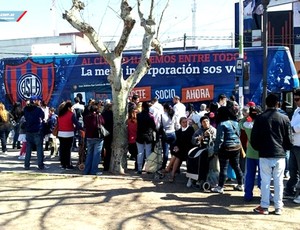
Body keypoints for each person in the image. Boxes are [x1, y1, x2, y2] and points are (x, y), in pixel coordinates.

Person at [251, 94, 292, 215]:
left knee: (265, 181)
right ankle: (279, 207)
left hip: (264, 154)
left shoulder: (259, 118)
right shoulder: (284, 118)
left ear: (266, 104)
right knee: (279, 181)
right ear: (277, 103)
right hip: (280, 154)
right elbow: (289, 139)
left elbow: (254, 139)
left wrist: (259, 148)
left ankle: (264, 206)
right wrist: (285, 149)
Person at [211, 101, 244, 194]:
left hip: (225, 148)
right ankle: (241, 184)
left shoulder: (222, 124)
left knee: (223, 168)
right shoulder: (236, 123)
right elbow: (239, 135)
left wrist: (216, 151)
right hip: (236, 147)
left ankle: (220, 187)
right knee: (236, 166)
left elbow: (219, 140)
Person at [240, 106, 262, 202]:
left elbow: (240, 124)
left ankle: (248, 195)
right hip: (261, 153)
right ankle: (264, 194)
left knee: (249, 175)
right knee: (263, 175)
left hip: (250, 153)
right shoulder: (262, 124)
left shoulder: (246, 124)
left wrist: (247, 117)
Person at [165, 117, 194, 182]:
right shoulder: (178, 132)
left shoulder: (191, 129)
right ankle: (171, 172)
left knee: (177, 155)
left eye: (186, 122)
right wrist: (176, 146)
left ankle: (169, 170)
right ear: (180, 123)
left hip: (188, 148)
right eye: (183, 122)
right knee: (177, 155)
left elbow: (189, 141)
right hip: (181, 149)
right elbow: (177, 142)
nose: (185, 123)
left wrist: (178, 147)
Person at [57, 101, 83, 170]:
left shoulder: (60, 114)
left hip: (60, 133)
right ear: (69, 108)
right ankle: (68, 164)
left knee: (62, 149)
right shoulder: (71, 114)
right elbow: (77, 123)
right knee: (68, 150)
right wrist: (81, 128)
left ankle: (63, 164)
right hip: (69, 133)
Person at [23, 96, 47, 170]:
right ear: (35, 101)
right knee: (39, 148)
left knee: (28, 149)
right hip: (37, 130)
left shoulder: (25, 109)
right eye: (39, 100)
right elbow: (43, 117)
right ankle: (40, 165)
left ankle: (26, 165)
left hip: (28, 131)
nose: (40, 102)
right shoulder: (38, 109)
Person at [285, 89, 300, 204]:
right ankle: (290, 190)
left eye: (297, 99)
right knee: (293, 170)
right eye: (295, 99)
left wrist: (291, 130)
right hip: (294, 144)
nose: (296, 102)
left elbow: (296, 128)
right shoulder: (297, 111)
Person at [191, 115, 217, 183]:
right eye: (203, 122)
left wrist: (210, 136)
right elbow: (193, 140)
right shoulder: (199, 131)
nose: (205, 123)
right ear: (201, 123)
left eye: (207, 121)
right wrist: (200, 138)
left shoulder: (213, 130)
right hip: (202, 151)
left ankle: (212, 181)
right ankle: (201, 179)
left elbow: (217, 140)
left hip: (212, 151)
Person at [83, 104, 104, 175]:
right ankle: (94, 171)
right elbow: (103, 123)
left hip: (89, 137)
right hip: (98, 137)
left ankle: (86, 170)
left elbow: (85, 125)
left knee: (89, 154)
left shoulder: (86, 117)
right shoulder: (99, 117)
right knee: (96, 155)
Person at [135, 102, 156, 174]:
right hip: (148, 136)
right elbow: (154, 126)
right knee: (148, 153)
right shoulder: (151, 116)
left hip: (140, 135)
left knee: (140, 153)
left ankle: (139, 168)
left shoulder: (138, 115)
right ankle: (148, 168)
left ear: (142, 107)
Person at [160, 103, 177, 170]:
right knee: (174, 151)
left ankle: (164, 166)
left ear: (165, 109)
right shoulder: (173, 114)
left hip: (166, 134)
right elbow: (176, 124)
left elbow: (159, 125)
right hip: (173, 133)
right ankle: (174, 166)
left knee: (165, 152)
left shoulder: (162, 115)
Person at [101, 102, 113, 171]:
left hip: (104, 133)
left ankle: (106, 164)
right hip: (110, 133)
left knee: (105, 149)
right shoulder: (111, 114)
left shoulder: (103, 114)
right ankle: (107, 164)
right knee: (109, 150)